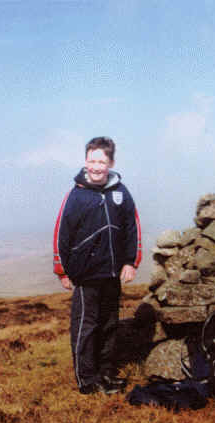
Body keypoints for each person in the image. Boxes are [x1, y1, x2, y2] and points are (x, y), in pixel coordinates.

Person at [53, 137, 142, 395]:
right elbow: (62, 233)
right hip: (86, 276)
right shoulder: (76, 195)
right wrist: (63, 271)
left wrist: (130, 263)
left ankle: (106, 373)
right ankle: (87, 380)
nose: (96, 167)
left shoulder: (121, 193)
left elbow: (131, 228)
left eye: (102, 161)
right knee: (86, 327)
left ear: (111, 163)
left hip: (112, 274)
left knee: (109, 326)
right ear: (85, 161)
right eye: (92, 160)